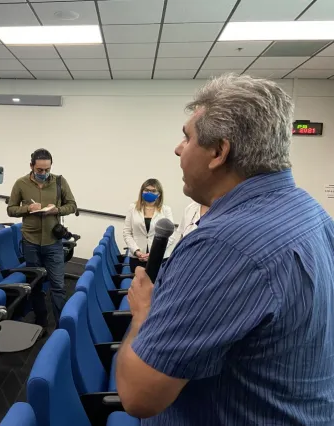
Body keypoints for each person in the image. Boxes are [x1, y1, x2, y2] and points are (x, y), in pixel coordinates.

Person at [116, 74, 334, 424]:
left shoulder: (224, 244)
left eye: (187, 137)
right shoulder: (310, 212)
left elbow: (138, 396)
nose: (178, 148)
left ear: (219, 152)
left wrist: (144, 312)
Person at [7, 148, 77, 334]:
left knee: (58, 286)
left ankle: (62, 328)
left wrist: (57, 210)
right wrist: (28, 208)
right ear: (31, 166)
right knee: (36, 285)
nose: (44, 174)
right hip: (30, 241)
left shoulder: (59, 182)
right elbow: (11, 209)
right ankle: (41, 324)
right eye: (40, 170)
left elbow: (72, 205)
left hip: (53, 241)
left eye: (47, 170)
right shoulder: (21, 184)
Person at [123, 179, 174, 273]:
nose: (149, 192)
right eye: (146, 190)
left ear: (159, 194)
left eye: (153, 191)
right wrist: (137, 251)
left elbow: (170, 235)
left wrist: (154, 253)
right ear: (142, 191)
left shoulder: (166, 210)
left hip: (158, 258)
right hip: (137, 257)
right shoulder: (132, 208)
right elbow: (127, 233)